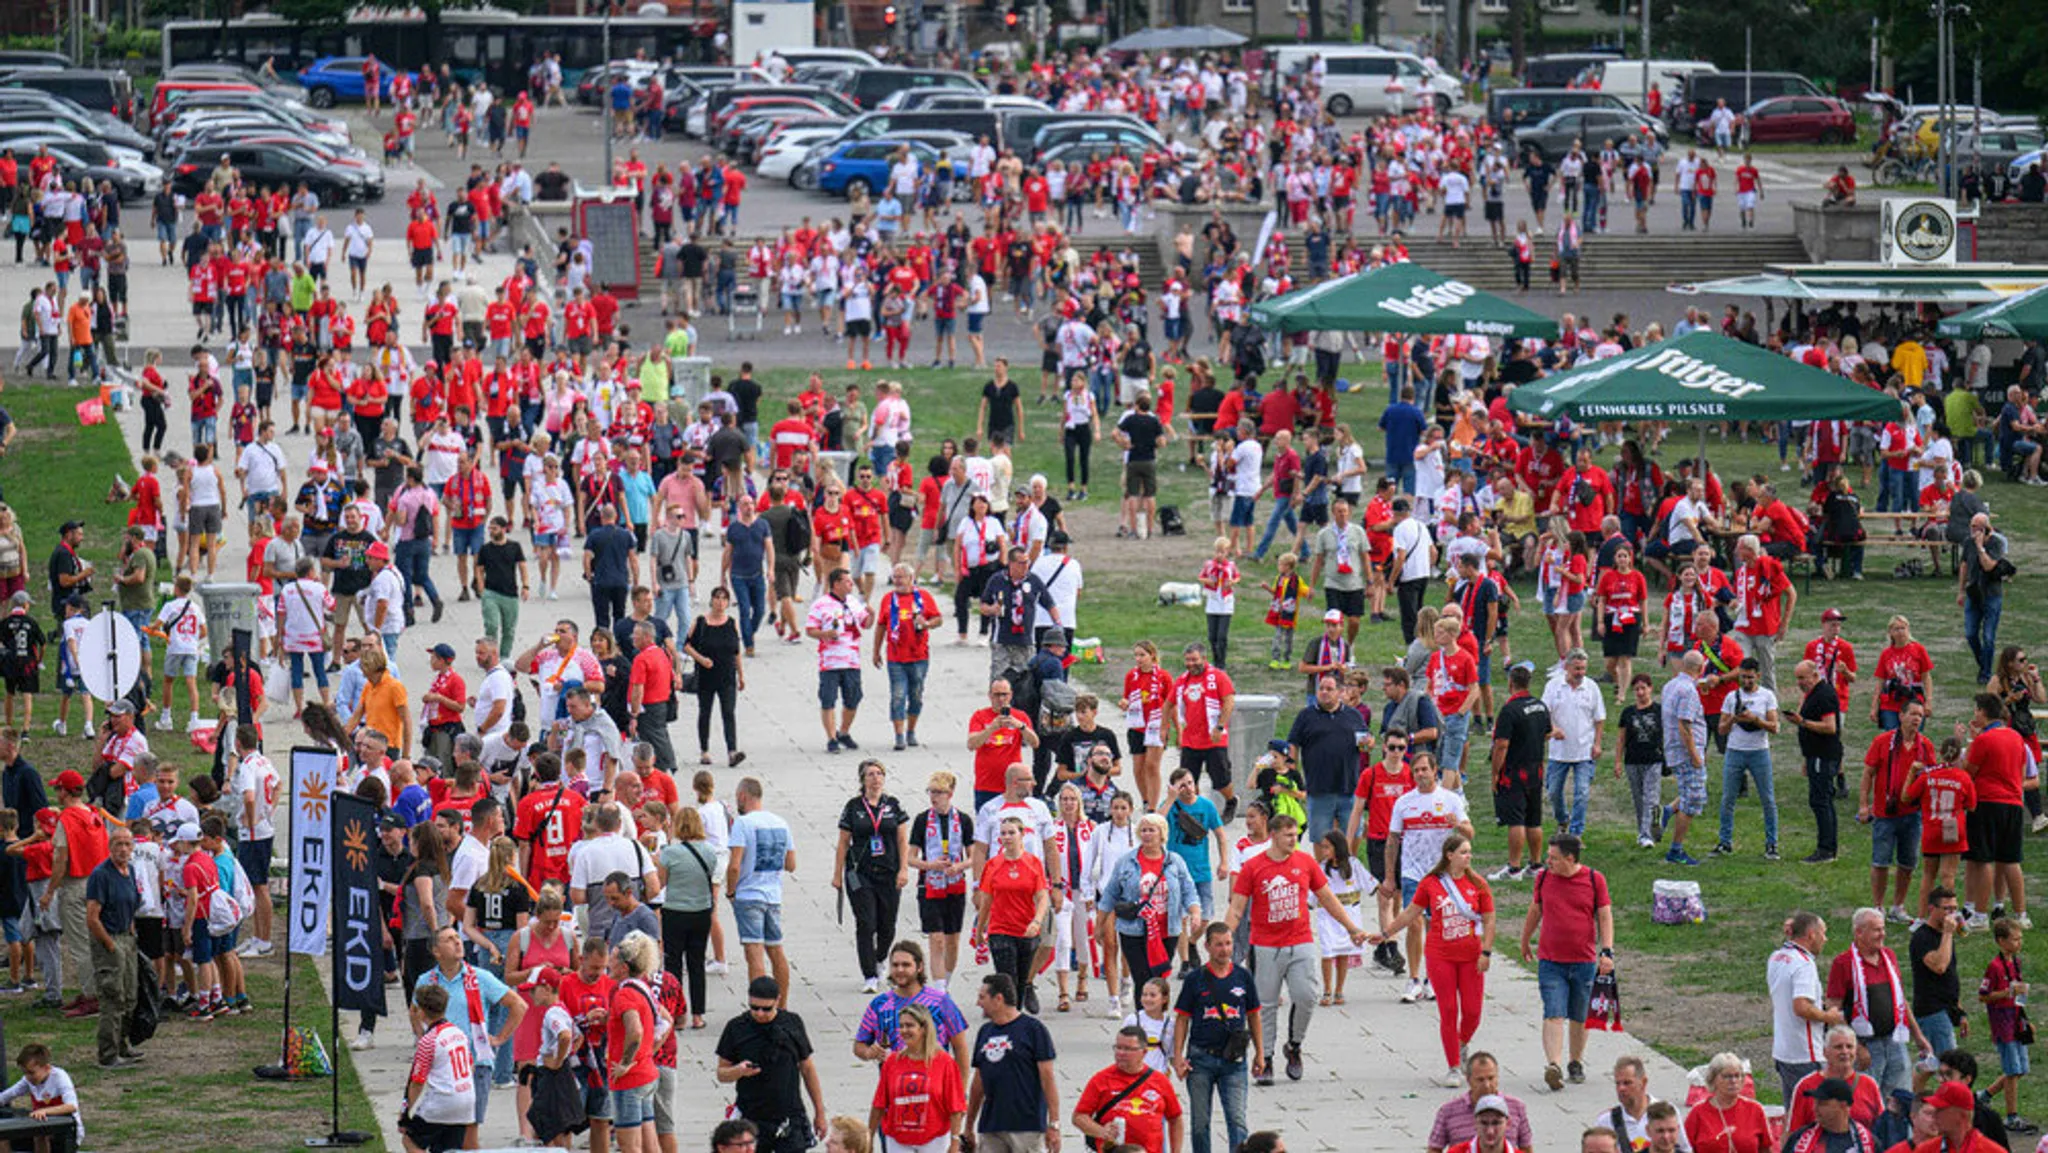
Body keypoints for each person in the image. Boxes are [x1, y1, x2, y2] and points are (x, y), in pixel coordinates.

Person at [1224, 811, 1370, 1085]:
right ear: (1274, 836)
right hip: (1265, 945)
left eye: (1295, 835)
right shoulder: (1254, 867)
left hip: (1300, 940)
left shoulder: (1305, 863)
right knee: (1265, 1004)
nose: (1294, 840)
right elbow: (1236, 907)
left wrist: (1352, 929)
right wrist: (1223, 939)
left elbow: (1327, 897)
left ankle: (1294, 1046)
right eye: (1288, 835)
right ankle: (1265, 1058)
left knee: (1306, 996)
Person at [1375, 833, 1496, 1089]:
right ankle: (1453, 1065)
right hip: (1441, 954)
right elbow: (1411, 912)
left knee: (1473, 1012)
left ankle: (1462, 1043)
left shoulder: (1478, 884)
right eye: (1463, 852)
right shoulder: (1431, 883)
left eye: (1469, 852)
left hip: (1471, 955)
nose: (1468, 857)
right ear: (1449, 855)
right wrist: (1386, 933)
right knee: (1449, 1010)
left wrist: (1486, 951)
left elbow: (1489, 918)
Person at [1518, 834, 1614, 1091]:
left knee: (1579, 1015)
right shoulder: (1543, 878)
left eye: (1553, 858)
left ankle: (1575, 1061)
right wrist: (1525, 939)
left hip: (1583, 960)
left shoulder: (1595, 879)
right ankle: (1554, 1065)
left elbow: (1604, 916)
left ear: (1570, 858)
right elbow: (1535, 909)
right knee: (1553, 1012)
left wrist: (1607, 951)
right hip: (1550, 960)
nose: (1548, 862)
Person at [414, 925, 526, 1135]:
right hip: (442, 1066)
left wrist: (500, 1038)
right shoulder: (426, 981)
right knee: (445, 1130)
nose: (457, 942)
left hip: (476, 1064)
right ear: (436, 951)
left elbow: (518, 1005)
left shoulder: (480, 977)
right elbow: (414, 1011)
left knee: (469, 1131)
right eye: (449, 939)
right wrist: (422, 1038)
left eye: (458, 937)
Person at [1172, 920, 1262, 1153]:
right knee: (1200, 1124)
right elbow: (1182, 1018)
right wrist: (1178, 1057)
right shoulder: (1195, 979)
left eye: (1229, 943)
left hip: (1234, 1060)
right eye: (1219, 944)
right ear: (1207, 946)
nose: (1225, 950)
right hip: (1200, 1059)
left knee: (1238, 1122)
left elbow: (1254, 1016)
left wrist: (1261, 1054)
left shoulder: (1243, 977)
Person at [716, 976, 828, 1153]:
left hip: (789, 1115)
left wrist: (819, 1112)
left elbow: (807, 1068)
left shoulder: (792, 1023)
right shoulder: (736, 1028)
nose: (760, 1013)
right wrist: (738, 1071)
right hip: (751, 1118)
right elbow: (721, 1073)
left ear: (778, 1000)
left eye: (766, 1009)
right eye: (754, 1007)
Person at [832, 758, 909, 994]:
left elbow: (902, 840)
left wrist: (904, 868)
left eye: (879, 774)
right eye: (870, 775)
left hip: (888, 872)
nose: (875, 778)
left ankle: (880, 957)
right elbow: (844, 842)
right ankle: (869, 975)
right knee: (866, 923)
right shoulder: (854, 806)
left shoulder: (892, 805)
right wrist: (837, 875)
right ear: (863, 780)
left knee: (887, 925)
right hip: (860, 872)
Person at [965, 973, 1061, 1153]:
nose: (978, 1003)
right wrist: (969, 1125)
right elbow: (978, 1082)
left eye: (982, 997)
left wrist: (1054, 1123)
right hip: (991, 1124)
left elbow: (1047, 1079)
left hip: (1026, 1125)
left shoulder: (1033, 1030)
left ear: (998, 998)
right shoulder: (985, 1032)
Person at [726, 777, 795, 1005]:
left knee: (753, 952)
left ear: (743, 797)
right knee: (776, 950)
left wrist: (730, 891)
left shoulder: (743, 824)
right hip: (773, 895)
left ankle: (760, 1004)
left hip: (748, 894)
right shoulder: (781, 823)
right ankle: (782, 1004)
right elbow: (791, 864)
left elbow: (735, 864)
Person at [974, 814, 1050, 1017]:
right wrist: (980, 928)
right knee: (1007, 976)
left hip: (1026, 928)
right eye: (1003, 834)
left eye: (1011, 833)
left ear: (1022, 834)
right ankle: (1007, 1016)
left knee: (1022, 978)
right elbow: (987, 899)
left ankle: (1014, 1013)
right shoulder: (994, 864)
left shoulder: (1033, 863)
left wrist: (1037, 921)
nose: (1007, 837)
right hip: (1001, 928)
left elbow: (1042, 897)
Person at [869, 1002, 966, 1153]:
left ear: (924, 1028)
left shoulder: (945, 1062)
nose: (903, 1030)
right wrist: (870, 1136)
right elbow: (879, 1103)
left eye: (909, 1026)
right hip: (897, 1139)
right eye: (901, 1026)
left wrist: (954, 1142)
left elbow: (955, 1106)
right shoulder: (892, 1061)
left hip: (935, 1139)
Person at [1771, 911, 1847, 1102]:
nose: (1825, 939)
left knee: (1793, 1113)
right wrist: (1828, 1016)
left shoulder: (1777, 957)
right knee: (1814, 1113)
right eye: (1823, 933)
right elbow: (1801, 1007)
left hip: (1783, 1050)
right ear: (1811, 934)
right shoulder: (1804, 965)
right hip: (1805, 1054)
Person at [906, 771, 973, 986]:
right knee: (937, 939)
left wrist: (959, 866)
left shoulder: (962, 820)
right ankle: (939, 988)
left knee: (952, 941)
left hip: (955, 886)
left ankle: (948, 979)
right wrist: (930, 866)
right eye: (931, 792)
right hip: (930, 886)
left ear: (950, 794)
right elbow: (910, 857)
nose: (934, 797)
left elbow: (974, 857)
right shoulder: (922, 820)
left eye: (939, 792)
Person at [1073, 1026, 1185, 1153]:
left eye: (1128, 1049)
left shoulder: (1160, 1081)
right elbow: (1079, 1117)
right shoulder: (1101, 1079)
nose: (1121, 1053)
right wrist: (1101, 1131)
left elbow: (1175, 1118)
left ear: (1144, 1052)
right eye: (1118, 1047)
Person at [84, 825, 142, 1069]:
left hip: (126, 938)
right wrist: (109, 944)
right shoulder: (101, 875)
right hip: (109, 939)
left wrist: (130, 931)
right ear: (110, 847)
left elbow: (132, 903)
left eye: (127, 844)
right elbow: (92, 916)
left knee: (130, 994)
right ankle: (107, 1053)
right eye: (118, 844)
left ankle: (122, 1044)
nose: (123, 849)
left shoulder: (130, 871)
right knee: (112, 996)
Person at [1715, 658, 1782, 860]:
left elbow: (1775, 727)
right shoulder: (1731, 697)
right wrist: (1734, 718)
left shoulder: (1767, 696)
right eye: (1743, 677)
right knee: (1728, 798)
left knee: (1767, 799)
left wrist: (1755, 720)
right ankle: (1724, 841)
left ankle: (1772, 843)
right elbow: (1721, 728)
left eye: (1750, 677)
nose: (1746, 681)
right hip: (1735, 749)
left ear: (1758, 676)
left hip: (1759, 751)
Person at [804, 567, 872, 754]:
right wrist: (825, 634)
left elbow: (865, 623)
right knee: (828, 700)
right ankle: (831, 737)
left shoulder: (853, 602)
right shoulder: (820, 604)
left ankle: (844, 732)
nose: (851, 584)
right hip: (830, 662)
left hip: (851, 660)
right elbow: (810, 630)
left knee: (853, 698)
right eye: (847, 581)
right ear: (836, 584)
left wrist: (871, 614)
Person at [403, 984, 478, 1153]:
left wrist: (407, 1112)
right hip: (465, 1102)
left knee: (410, 1141)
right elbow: (471, 1067)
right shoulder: (459, 1034)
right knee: (448, 1149)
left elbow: (417, 1082)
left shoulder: (429, 1040)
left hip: (442, 1102)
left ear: (421, 1012)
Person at [1977, 916, 2034, 1134]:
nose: (2019, 943)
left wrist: (2026, 1019)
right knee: (2012, 1070)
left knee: (2021, 1069)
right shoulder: (1994, 966)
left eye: (2020, 939)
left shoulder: (2015, 963)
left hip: (2016, 1020)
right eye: (2015, 939)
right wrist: (2007, 992)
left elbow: (2018, 994)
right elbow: (1983, 996)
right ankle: (2012, 1116)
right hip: (2002, 1022)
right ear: (2001, 941)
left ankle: (1985, 1095)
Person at [1542, 649, 1606, 839]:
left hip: (1584, 751)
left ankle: (1576, 832)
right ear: (1567, 667)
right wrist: (1553, 729)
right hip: (1559, 751)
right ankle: (1563, 819)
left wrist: (1597, 744)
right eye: (1577, 668)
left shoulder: (1591, 687)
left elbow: (1599, 718)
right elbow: (1544, 713)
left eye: (1583, 669)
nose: (1580, 673)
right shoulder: (1554, 686)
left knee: (1582, 793)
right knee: (1553, 791)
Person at [1787, 660, 1846, 864]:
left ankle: (1826, 849)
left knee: (1821, 801)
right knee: (1819, 800)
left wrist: (1802, 722)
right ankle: (1826, 847)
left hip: (1823, 755)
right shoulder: (1813, 693)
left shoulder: (1824, 695)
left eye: (1802, 678)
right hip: (1815, 755)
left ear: (1814, 675)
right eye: (1797, 678)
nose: (1799, 682)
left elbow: (1830, 727)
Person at [1908, 887, 1968, 1077]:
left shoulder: (1944, 937)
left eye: (1955, 909)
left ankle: (1911, 1098)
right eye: (1947, 909)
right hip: (1932, 1011)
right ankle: (1951, 1102)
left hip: (1946, 1008)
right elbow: (1940, 966)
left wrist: (1960, 1012)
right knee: (1951, 1067)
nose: (1953, 914)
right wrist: (1948, 934)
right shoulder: (1922, 937)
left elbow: (1950, 975)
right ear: (1932, 909)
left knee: (1931, 1065)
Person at [1428, 1052, 1535, 1153]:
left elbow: (1526, 1148)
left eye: (1491, 1078)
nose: (1487, 1085)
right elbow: (1434, 1149)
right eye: (1480, 1080)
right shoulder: (1448, 1111)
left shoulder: (1516, 1107)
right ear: (1468, 1080)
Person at [1785, 1027, 1885, 1130]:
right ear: (1825, 1052)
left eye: (1849, 1047)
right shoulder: (1806, 1086)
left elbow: (1883, 1129)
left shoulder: (1869, 1084)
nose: (1845, 1051)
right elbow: (1794, 1132)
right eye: (1838, 1047)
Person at [1683, 1052, 1772, 1153]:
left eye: (1737, 1076)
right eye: (1727, 1076)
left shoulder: (1755, 1109)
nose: (1733, 1081)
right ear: (1713, 1079)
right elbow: (1684, 1148)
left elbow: (1766, 1149)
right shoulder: (1698, 1112)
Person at [1781, 1077, 1876, 1153]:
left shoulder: (1869, 1142)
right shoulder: (1799, 1138)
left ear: (1843, 1105)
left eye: (1822, 1104)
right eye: (1815, 1103)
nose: (1814, 1108)